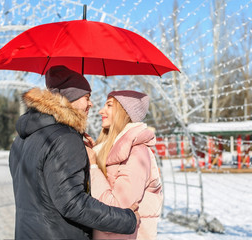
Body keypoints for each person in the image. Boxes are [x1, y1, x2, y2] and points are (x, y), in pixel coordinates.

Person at [9, 66, 139, 240]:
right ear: (71, 98)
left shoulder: (22, 139)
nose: (91, 104)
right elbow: (72, 203)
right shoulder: (64, 138)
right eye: (87, 97)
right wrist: (127, 219)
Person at [85, 90, 163, 240]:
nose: (101, 110)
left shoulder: (137, 153)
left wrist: (93, 167)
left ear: (125, 112)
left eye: (109, 105)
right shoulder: (110, 148)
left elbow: (118, 209)